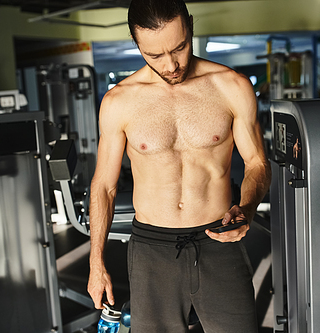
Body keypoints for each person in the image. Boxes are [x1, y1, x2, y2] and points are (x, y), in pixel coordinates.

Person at [87, 0, 271, 331]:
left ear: (190, 27)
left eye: (180, 47)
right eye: (155, 55)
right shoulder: (119, 102)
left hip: (220, 241)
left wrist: (248, 207)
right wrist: (95, 262)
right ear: (136, 44)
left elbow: (257, 161)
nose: (171, 64)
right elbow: (104, 185)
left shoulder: (231, 87)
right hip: (151, 250)